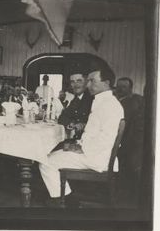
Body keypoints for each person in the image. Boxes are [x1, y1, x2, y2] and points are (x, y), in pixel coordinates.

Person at [39, 61, 124, 206]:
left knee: (45, 161)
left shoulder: (110, 105)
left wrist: (81, 149)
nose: (88, 85)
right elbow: (93, 133)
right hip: (94, 153)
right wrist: (79, 145)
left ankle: (64, 200)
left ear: (107, 82)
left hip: (97, 158)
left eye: (92, 81)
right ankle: (67, 198)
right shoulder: (103, 101)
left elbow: (106, 138)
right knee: (50, 156)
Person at [115, 77, 144, 202]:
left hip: (128, 141)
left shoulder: (131, 102)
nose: (120, 89)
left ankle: (122, 192)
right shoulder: (117, 101)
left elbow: (122, 124)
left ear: (130, 89)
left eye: (124, 87)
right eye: (118, 86)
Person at [58, 71, 94, 140]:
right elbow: (62, 117)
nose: (75, 84)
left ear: (86, 82)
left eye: (79, 81)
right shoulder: (76, 99)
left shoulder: (92, 98)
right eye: (72, 82)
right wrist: (71, 123)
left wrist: (84, 125)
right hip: (78, 139)